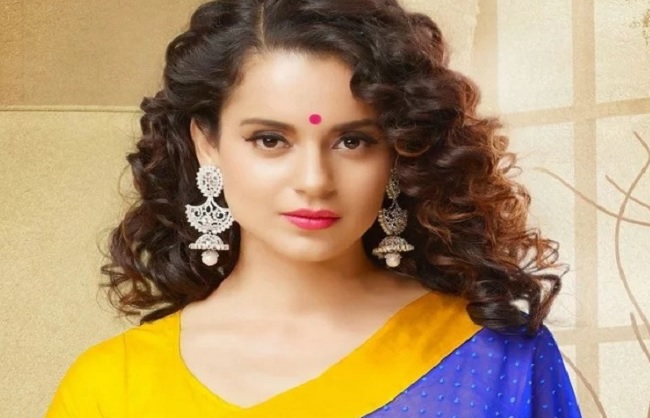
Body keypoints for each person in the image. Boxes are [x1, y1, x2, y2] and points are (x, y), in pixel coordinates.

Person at [45, 0, 582, 416]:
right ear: (207, 144)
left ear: (399, 150)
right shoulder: (113, 387)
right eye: (270, 140)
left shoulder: (495, 356)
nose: (314, 181)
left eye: (353, 141)